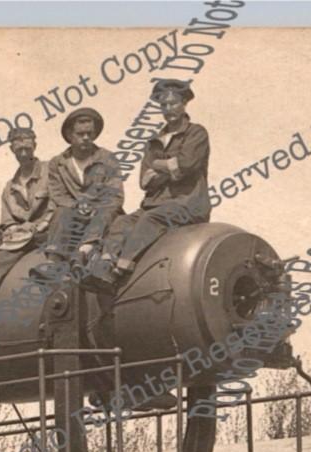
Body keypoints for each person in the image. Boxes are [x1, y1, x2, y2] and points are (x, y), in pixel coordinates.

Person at [85, 79, 211, 293]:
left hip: (187, 204)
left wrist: (158, 166)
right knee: (122, 222)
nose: (168, 109)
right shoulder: (154, 141)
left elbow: (186, 165)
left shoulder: (196, 133)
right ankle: (104, 265)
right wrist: (169, 168)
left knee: (150, 219)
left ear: (184, 104)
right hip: (155, 203)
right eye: (163, 104)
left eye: (173, 103)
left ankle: (121, 269)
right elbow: (144, 181)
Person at [44, 107, 124, 272]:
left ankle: (84, 251)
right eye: (80, 134)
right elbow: (58, 194)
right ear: (69, 135)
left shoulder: (108, 159)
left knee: (107, 212)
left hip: (101, 212)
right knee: (61, 212)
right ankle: (53, 260)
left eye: (90, 133)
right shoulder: (57, 163)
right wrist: (76, 205)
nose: (86, 138)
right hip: (73, 212)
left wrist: (96, 207)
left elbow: (115, 194)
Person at [0, 127, 53, 293]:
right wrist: (12, 229)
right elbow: (7, 220)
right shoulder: (9, 188)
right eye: (19, 150)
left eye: (27, 149)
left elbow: (59, 202)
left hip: (47, 230)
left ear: (35, 146)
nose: (23, 154)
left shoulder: (50, 171)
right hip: (21, 235)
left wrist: (37, 226)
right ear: (12, 150)